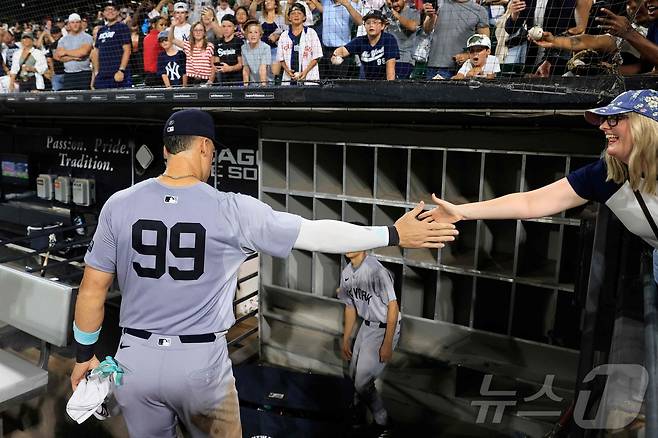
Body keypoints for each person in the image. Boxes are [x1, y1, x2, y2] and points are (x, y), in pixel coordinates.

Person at [69, 108, 458, 438]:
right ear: (204, 146)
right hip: (198, 364)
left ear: (167, 150)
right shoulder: (231, 207)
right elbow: (315, 233)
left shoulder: (119, 204)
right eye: (212, 152)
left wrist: (84, 355)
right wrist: (391, 233)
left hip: (133, 362)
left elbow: (91, 292)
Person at [421, 89, 658, 283]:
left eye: (613, 119)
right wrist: (462, 212)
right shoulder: (606, 175)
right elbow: (529, 202)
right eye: (604, 120)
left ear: (644, 125)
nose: (603, 127)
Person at [339, 245, 401, 437]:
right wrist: (346, 338)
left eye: (352, 241)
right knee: (353, 375)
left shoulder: (376, 270)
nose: (347, 246)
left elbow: (393, 307)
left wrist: (387, 343)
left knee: (362, 383)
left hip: (383, 329)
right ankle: (358, 417)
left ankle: (384, 422)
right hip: (366, 326)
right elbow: (350, 307)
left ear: (363, 244)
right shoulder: (347, 272)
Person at [422, 0, 489, 79]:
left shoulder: (480, 11)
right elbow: (426, 29)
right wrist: (430, 17)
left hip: (461, 69)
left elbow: (485, 43)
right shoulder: (440, 3)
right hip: (434, 65)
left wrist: (468, 55)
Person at [332, 10, 399, 80]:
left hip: (385, 83)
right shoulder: (359, 41)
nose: (371, 25)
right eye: (368, 23)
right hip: (368, 83)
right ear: (364, 26)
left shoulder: (389, 39)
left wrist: (390, 87)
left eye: (375, 22)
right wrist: (335, 55)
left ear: (382, 26)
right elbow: (342, 51)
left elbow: (390, 67)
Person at [276, 3, 322, 85]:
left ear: (304, 17)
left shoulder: (311, 33)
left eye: (299, 13)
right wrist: (287, 71)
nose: (296, 15)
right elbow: (281, 58)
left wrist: (305, 72)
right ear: (289, 17)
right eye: (293, 13)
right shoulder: (284, 35)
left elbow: (317, 56)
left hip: (309, 77)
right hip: (289, 78)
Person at [92, 1, 132, 89]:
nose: (110, 11)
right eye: (107, 9)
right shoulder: (101, 30)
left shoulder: (122, 27)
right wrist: (97, 72)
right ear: (103, 13)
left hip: (117, 74)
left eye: (113, 9)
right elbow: (96, 52)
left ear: (118, 12)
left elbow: (127, 50)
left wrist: (121, 70)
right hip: (102, 75)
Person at [168, 21, 215, 86]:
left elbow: (213, 66)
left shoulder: (210, 46)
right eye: (195, 30)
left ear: (204, 33)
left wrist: (210, 81)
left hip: (205, 81)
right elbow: (171, 39)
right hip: (191, 81)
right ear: (192, 33)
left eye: (200, 30)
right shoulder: (188, 45)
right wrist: (172, 26)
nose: (198, 32)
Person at [55, 13, 94, 90]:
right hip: (68, 75)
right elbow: (58, 56)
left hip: (84, 74)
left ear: (80, 23)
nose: (75, 25)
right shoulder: (63, 40)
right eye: (72, 22)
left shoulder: (87, 37)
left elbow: (83, 52)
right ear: (69, 24)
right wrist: (74, 58)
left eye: (77, 22)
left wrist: (65, 52)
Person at [384, 0, 420, 79]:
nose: (394, 4)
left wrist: (398, 16)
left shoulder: (413, 12)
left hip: (404, 60)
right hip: (387, 60)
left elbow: (413, 27)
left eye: (396, 0)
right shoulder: (387, 14)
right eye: (392, 1)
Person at [213, 15, 244, 85]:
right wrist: (218, 67)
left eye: (229, 26)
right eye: (223, 26)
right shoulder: (217, 42)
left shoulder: (239, 42)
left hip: (238, 81)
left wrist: (229, 68)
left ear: (235, 27)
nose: (226, 29)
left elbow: (241, 64)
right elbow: (216, 61)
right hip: (222, 81)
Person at [242, 21, 271, 85]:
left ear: (260, 35)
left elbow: (263, 69)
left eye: (256, 32)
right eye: (250, 32)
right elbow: (246, 69)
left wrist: (263, 88)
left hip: (267, 83)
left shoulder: (266, 47)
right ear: (246, 35)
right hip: (253, 84)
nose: (253, 35)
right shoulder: (243, 48)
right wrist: (245, 86)